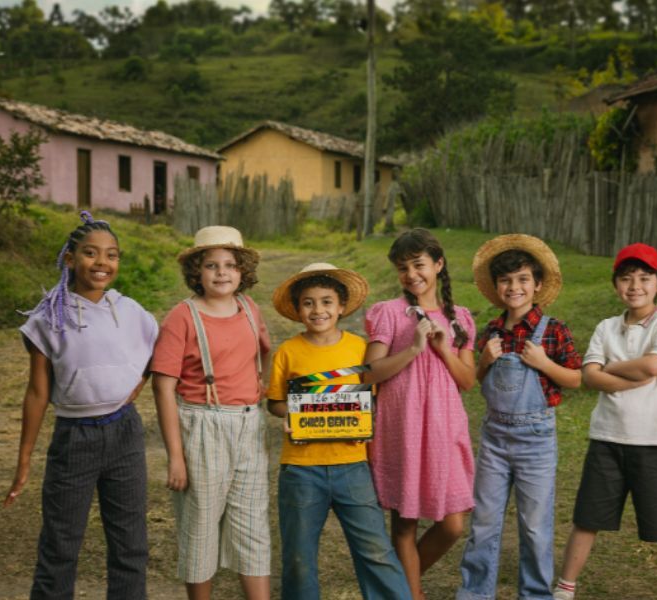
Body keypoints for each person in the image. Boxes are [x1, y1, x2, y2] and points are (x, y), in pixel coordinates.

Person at [4, 210, 157, 600]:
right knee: (61, 545)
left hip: (124, 432)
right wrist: (24, 460)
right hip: (75, 437)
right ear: (70, 260)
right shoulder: (48, 319)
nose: (102, 263)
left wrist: (137, 385)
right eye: (91, 253)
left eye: (112, 255)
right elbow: (38, 393)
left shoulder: (129, 310)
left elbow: (160, 353)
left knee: (130, 544)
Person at [265, 263, 412, 600]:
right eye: (309, 303)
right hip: (301, 469)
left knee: (376, 550)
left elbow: (370, 400)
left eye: (327, 301)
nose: (318, 310)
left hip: (352, 463)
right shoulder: (288, 351)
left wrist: (366, 422)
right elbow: (274, 402)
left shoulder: (359, 349)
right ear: (298, 309)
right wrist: (291, 412)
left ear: (342, 306)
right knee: (299, 557)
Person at [553, 243, 657, 600]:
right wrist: (621, 373)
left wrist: (607, 368)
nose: (635, 286)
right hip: (607, 438)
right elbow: (589, 377)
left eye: (645, 278)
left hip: (655, 442)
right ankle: (565, 589)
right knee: (587, 518)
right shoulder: (607, 327)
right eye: (626, 278)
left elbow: (652, 366)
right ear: (615, 284)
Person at [456, 235, 582, 600]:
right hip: (494, 437)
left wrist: (544, 363)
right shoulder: (492, 332)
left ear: (538, 285)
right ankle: (475, 594)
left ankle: (535, 595)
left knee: (535, 527)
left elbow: (575, 378)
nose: (515, 287)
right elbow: (475, 382)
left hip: (536, 440)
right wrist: (483, 362)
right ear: (496, 287)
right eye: (507, 281)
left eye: (523, 279)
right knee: (483, 523)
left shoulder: (553, 330)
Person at [150, 226, 272, 600]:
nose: (222, 273)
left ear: (242, 271)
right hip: (203, 426)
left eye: (231, 265)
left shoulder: (249, 309)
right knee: (201, 523)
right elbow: (163, 386)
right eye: (212, 265)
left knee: (252, 525)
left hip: (249, 426)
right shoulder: (182, 317)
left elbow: (267, 351)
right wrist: (176, 457)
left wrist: (261, 385)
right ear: (196, 273)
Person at [362, 228, 477, 600]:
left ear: (438, 265)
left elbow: (468, 380)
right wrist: (413, 349)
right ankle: (411, 594)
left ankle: (398, 584)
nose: (412, 274)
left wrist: (443, 348)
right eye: (403, 267)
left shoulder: (459, 318)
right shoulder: (389, 314)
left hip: (444, 428)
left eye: (419, 264)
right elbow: (369, 373)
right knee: (404, 524)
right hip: (402, 426)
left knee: (452, 525)